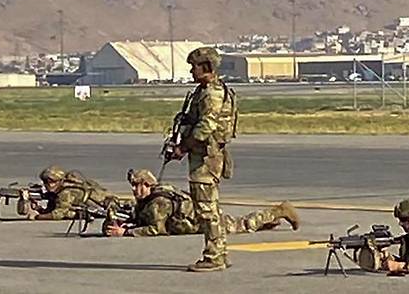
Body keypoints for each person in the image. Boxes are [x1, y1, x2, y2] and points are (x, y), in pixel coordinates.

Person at [172, 47, 237, 272]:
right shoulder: (203, 91)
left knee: (206, 209)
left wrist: (183, 147)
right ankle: (219, 252)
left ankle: (214, 257)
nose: (191, 71)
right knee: (210, 208)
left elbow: (206, 126)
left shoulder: (212, 93)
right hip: (204, 155)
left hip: (206, 158)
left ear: (207, 67)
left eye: (195, 67)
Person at [105, 169, 300, 237]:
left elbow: (157, 229)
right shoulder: (149, 199)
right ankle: (270, 221)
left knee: (242, 225)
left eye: (137, 185)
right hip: (197, 219)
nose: (133, 189)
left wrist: (127, 232)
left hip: (202, 222)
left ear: (147, 185)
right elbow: (142, 218)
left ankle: (279, 211)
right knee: (242, 225)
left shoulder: (159, 203)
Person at [17, 166, 119, 220]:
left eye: (52, 182)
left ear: (60, 181)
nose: (48, 185)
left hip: (103, 207)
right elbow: (54, 207)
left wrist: (37, 216)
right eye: (45, 182)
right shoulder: (58, 192)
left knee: (70, 213)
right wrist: (39, 209)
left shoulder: (66, 192)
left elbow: (58, 214)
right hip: (89, 208)